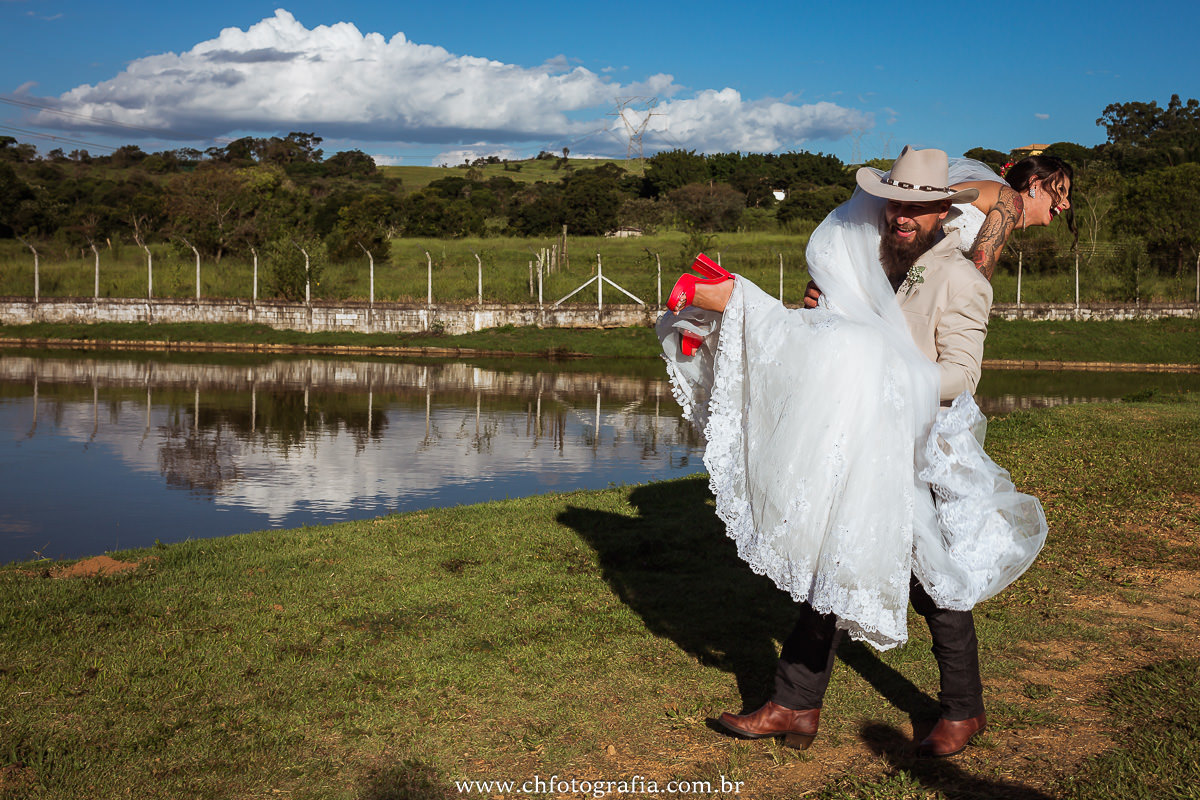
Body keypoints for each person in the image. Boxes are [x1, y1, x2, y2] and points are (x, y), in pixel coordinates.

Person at [658, 145, 1046, 758]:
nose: (902, 217)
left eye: (917, 209)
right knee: (836, 559)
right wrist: (821, 317)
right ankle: (794, 703)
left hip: (923, 447)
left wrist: (888, 376)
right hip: (862, 438)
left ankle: (963, 710)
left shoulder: (960, 279)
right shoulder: (870, 267)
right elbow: (838, 349)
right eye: (896, 204)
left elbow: (961, 376)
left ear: (945, 210)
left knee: (933, 582)